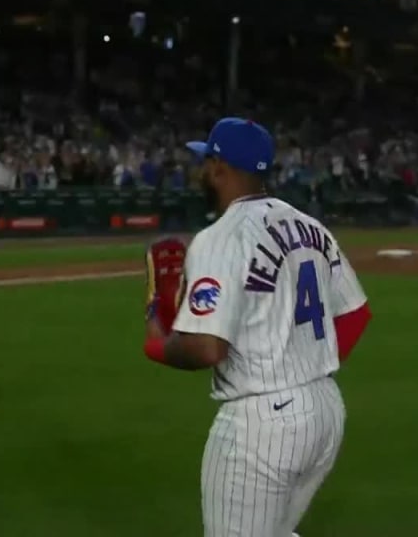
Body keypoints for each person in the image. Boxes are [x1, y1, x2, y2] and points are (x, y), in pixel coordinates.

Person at [143, 118, 373, 537]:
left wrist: (156, 342)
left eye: (206, 161)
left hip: (261, 427)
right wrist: (300, 369)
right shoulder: (310, 227)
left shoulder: (220, 238)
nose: (201, 171)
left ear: (219, 168)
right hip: (324, 411)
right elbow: (355, 315)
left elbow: (206, 349)